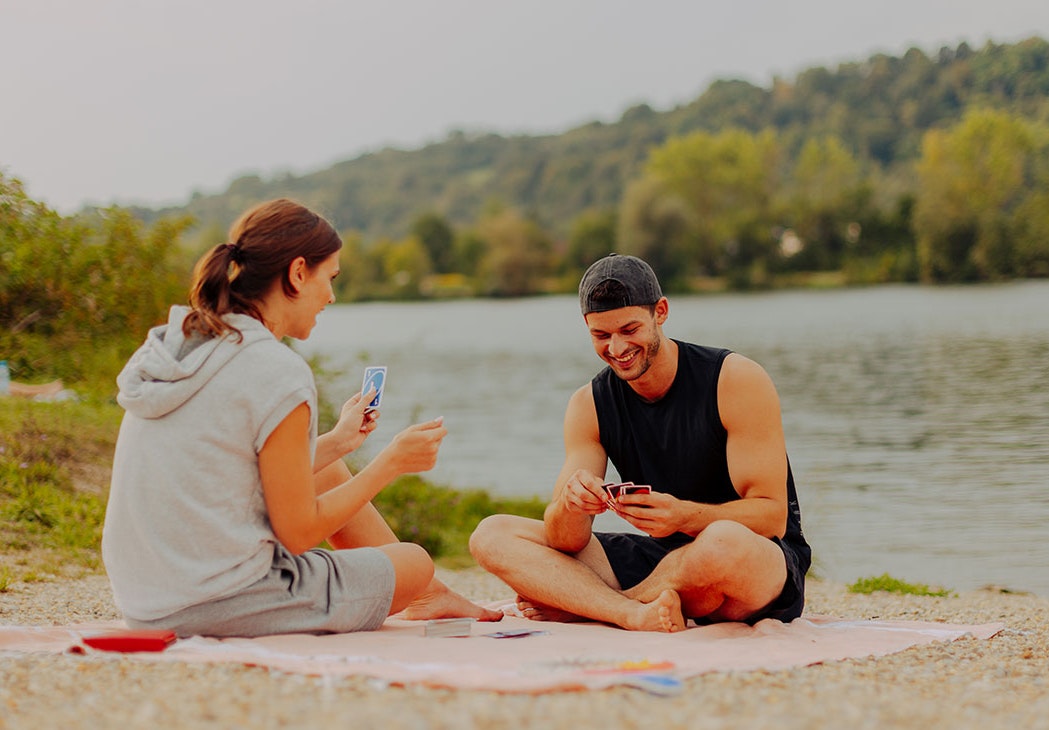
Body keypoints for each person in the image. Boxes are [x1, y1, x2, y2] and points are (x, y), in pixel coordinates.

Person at [102, 198, 501, 637]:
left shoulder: (182, 345)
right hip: (223, 602)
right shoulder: (277, 370)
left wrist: (341, 442)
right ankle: (426, 592)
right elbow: (298, 532)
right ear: (296, 273)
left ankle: (431, 595)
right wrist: (390, 463)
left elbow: (226, 466)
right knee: (414, 562)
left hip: (145, 600)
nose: (331, 296)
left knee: (327, 465)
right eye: (329, 278)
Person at [470, 254, 810, 632]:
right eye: (601, 336)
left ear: (660, 312)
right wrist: (572, 505)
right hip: (663, 562)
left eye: (629, 329)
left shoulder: (736, 379)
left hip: (751, 561)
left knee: (722, 541)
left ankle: (603, 606)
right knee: (492, 534)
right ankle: (634, 613)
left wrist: (682, 516)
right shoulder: (588, 404)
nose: (616, 348)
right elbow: (564, 539)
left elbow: (771, 517)